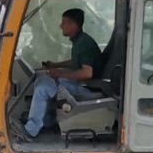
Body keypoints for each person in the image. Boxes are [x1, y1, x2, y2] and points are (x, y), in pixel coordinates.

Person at [15, 8, 101, 139]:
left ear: (74, 25)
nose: (61, 26)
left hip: (87, 88)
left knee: (43, 88)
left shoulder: (84, 43)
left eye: (64, 22)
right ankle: (46, 122)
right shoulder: (80, 40)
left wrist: (60, 74)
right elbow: (77, 62)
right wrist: (56, 65)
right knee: (42, 80)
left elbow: (87, 73)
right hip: (82, 84)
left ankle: (30, 131)